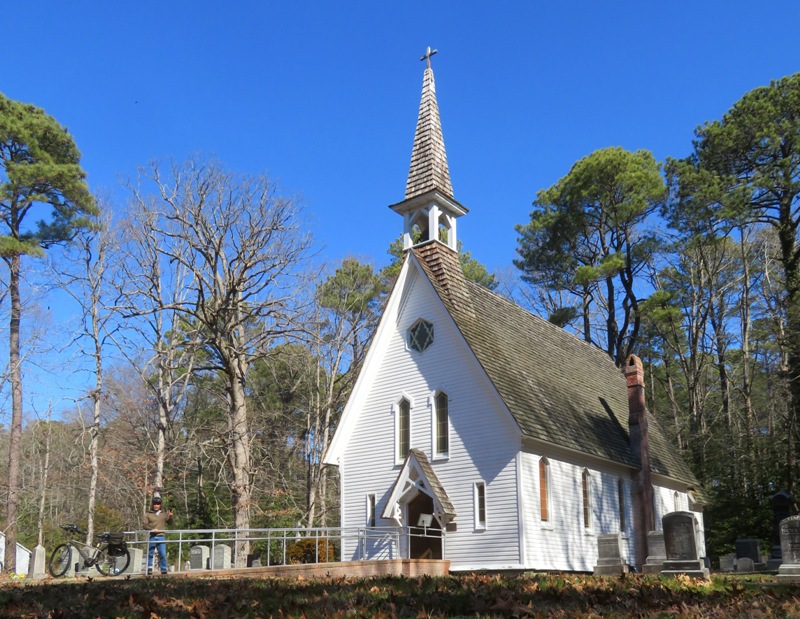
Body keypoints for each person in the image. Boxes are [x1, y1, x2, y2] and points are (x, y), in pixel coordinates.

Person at [144, 496, 173, 575]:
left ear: (160, 505)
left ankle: (163, 568)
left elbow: (170, 523)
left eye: (158, 504)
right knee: (150, 553)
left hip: (161, 536)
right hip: (152, 536)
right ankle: (149, 568)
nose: (156, 505)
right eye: (155, 504)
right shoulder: (148, 514)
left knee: (162, 553)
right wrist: (152, 529)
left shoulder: (163, 514)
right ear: (152, 504)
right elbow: (145, 525)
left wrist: (170, 516)